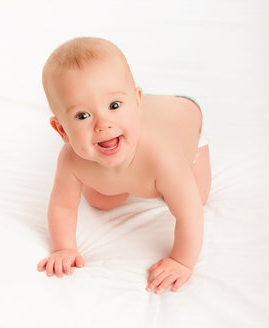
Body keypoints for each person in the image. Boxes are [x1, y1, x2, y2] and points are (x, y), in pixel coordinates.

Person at [37, 36, 212, 295]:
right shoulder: (71, 159)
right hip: (142, 113)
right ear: (61, 129)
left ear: (136, 100)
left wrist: (181, 261)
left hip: (180, 116)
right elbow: (63, 205)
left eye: (114, 106)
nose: (103, 124)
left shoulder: (163, 157)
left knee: (197, 196)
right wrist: (64, 247)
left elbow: (190, 216)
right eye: (82, 116)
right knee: (101, 200)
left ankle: (157, 118)